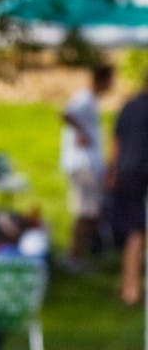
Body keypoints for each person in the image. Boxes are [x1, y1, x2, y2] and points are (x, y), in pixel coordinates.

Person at [60, 63, 115, 268]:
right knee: (85, 212)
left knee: (90, 212)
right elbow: (66, 114)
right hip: (83, 166)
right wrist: (81, 132)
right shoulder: (84, 99)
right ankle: (74, 257)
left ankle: (81, 254)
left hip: (90, 166)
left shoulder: (91, 101)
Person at [108, 70, 148, 306]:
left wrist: (113, 170)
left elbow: (116, 141)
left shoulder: (129, 106)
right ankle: (132, 290)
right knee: (137, 233)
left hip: (125, 174)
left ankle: (129, 285)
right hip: (141, 174)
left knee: (135, 233)